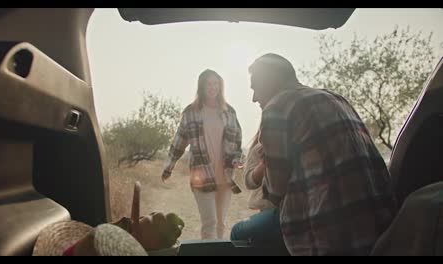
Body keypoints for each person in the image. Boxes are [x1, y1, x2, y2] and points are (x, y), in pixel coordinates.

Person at [248, 53, 397, 256]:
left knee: (242, 232)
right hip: (380, 225)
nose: (254, 97)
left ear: (270, 81)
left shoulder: (276, 108)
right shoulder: (336, 98)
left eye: (256, 87)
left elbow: (275, 191)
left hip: (332, 235)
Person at [161, 69, 243, 240]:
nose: (213, 87)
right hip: (202, 175)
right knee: (210, 223)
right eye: (209, 84)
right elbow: (179, 141)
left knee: (221, 223)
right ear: (201, 87)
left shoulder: (229, 111)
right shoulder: (191, 112)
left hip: (225, 175)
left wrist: (236, 159)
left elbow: (237, 140)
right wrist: (169, 166)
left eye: (216, 84)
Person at [230, 128, 284, 249]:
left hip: (283, 212)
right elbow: (249, 182)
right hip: (271, 212)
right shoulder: (260, 148)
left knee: (237, 231)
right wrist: (263, 165)